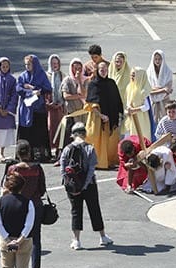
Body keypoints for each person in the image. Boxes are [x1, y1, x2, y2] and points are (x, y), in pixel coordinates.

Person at [60, 122, 112, 250]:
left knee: (76, 211)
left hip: (73, 185)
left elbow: (62, 168)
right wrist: (84, 185)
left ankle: (76, 240)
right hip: (89, 185)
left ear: (73, 135)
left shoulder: (67, 149)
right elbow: (91, 169)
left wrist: (68, 184)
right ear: (84, 134)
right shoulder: (90, 148)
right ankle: (102, 236)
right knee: (94, 209)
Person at [6, 140, 47, 268]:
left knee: (16, 235)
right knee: (35, 237)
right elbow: (42, 188)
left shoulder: (13, 169)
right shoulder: (37, 168)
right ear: (29, 153)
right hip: (35, 204)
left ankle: (17, 266)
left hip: (17, 204)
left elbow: (8, 185)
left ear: (17, 153)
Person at [85, 61, 123, 169]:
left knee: (111, 141)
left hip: (111, 118)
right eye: (101, 69)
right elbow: (91, 103)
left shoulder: (111, 83)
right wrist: (101, 115)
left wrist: (119, 115)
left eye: (105, 69)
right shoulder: (93, 84)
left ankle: (110, 161)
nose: (103, 72)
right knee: (98, 141)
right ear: (97, 70)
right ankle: (98, 162)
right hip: (98, 119)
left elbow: (117, 100)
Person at [16, 54, 53, 162]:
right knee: (26, 132)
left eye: (29, 64)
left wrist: (37, 89)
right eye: (26, 64)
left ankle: (41, 155)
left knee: (39, 133)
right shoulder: (23, 76)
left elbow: (48, 88)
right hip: (26, 109)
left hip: (38, 109)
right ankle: (25, 154)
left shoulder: (41, 75)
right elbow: (18, 89)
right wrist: (30, 92)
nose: (27, 66)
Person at [54, 58, 87, 154]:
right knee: (68, 137)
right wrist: (77, 96)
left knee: (82, 136)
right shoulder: (67, 80)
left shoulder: (85, 80)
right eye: (75, 68)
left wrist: (79, 81)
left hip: (83, 114)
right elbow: (66, 96)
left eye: (79, 68)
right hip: (71, 113)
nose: (77, 70)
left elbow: (84, 94)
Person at [124, 67, 153, 140]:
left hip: (141, 118)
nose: (132, 77)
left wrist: (134, 110)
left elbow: (147, 106)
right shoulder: (129, 87)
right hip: (131, 117)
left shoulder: (144, 90)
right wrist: (128, 110)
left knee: (142, 137)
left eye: (134, 75)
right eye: (131, 75)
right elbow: (128, 102)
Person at [46, 54, 65, 160]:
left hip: (60, 107)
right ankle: (50, 151)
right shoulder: (46, 76)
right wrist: (49, 103)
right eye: (53, 63)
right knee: (50, 128)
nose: (55, 65)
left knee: (60, 129)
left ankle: (59, 151)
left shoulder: (62, 75)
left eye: (56, 63)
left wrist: (61, 102)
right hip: (49, 107)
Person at [146, 50, 174, 123]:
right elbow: (148, 90)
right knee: (152, 122)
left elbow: (168, 89)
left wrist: (157, 89)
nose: (157, 61)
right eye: (156, 59)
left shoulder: (168, 71)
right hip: (153, 101)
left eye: (159, 59)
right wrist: (163, 89)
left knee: (166, 121)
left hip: (164, 101)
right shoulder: (149, 72)